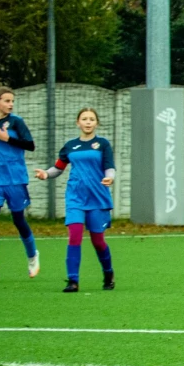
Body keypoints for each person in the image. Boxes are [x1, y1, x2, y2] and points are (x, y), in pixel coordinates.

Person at [35, 107, 115, 292]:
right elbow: (58, 168)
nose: (88, 122)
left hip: (97, 198)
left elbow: (110, 167)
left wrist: (110, 177)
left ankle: (108, 273)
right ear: (78, 123)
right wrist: (46, 174)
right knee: (75, 236)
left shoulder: (102, 144)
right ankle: (73, 281)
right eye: (84, 119)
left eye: (91, 119)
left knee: (98, 241)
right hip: (75, 198)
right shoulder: (70, 145)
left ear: (97, 123)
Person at [0, 86, 39, 283]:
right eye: (7, 101)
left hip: (15, 178)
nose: (11, 104)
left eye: (12, 101)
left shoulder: (17, 122)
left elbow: (30, 145)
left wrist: (9, 138)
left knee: (18, 220)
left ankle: (32, 256)